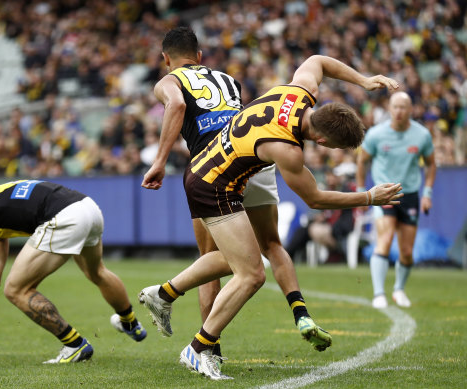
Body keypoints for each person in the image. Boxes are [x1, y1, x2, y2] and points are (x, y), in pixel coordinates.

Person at [139, 54, 402, 380]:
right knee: (251, 275)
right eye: (333, 147)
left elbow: (317, 61)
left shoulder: (299, 91)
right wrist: (369, 197)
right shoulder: (287, 149)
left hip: (206, 169)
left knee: (228, 260)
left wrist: (363, 80)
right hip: (214, 187)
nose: (330, 151)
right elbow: (316, 199)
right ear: (322, 140)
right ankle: (197, 348)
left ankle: (163, 294)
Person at [141, 26, 331, 356]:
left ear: (165, 59)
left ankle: (206, 347)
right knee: (268, 244)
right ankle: (298, 312)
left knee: (214, 259)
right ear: (200, 57)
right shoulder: (229, 80)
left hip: (212, 169)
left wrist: (159, 160)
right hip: (251, 158)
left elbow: (175, 105)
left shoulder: (169, 81)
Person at [0, 172, 146, 363]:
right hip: (88, 208)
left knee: (16, 289)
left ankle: (75, 345)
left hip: (64, 216)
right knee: (97, 272)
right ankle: (130, 323)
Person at [356, 91, 436, 309]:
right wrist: (363, 192)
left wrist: (427, 194)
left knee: (407, 252)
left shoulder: (421, 135)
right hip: (385, 193)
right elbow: (362, 161)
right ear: (389, 109)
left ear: (411, 110)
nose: (399, 111)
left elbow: (431, 164)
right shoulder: (376, 134)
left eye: (403, 107)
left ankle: (399, 290)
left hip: (410, 194)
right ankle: (379, 294)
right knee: (386, 237)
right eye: (395, 107)